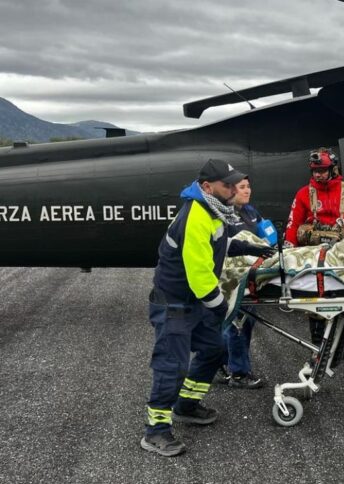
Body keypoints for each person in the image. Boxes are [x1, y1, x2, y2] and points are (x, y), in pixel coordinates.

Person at [141, 159, 275, 457]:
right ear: (207, 187)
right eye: (228, 185)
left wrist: (248, 248)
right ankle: (156, 430)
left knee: (215, 349)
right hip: (174, 303)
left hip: (192, 301)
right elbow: (200, 275)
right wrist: (221, 307)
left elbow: (218, 244)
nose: (233, 189)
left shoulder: (213, 211)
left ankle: (186, 405)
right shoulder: (196, 216)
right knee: (172, 365)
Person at [284, 147, 344, 365]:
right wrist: (288, 250)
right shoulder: (304, 194)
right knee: (315, 302)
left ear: (333, 169)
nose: (318, 175)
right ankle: (318, 348)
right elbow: (293, 224)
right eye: (315, 171)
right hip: (315, 258)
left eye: (322, 170)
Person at [214, 176, 270, 389]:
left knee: (243, 322)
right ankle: (239, 373)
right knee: (237, 324)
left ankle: (220, 363)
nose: (248, 191)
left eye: (248, 186)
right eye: (242, 187)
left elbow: (266, 234)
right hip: (232, 277)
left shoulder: (251, 212)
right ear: (230, 191)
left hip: (250, 274)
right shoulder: (223, 215)